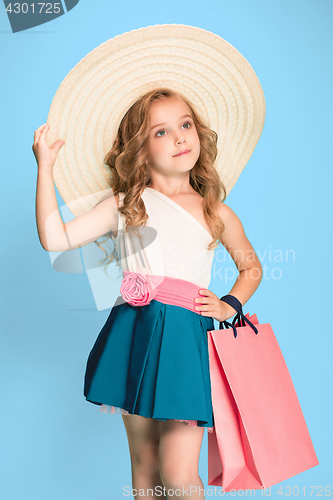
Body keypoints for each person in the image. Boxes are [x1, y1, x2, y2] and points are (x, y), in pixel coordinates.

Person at [33, 87, 262, 499]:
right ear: (138, 148)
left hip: (185, 338)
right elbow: (55, 237)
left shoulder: (215, 210)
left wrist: (230, 304)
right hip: (133, 331)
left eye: (186, 124)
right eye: (161, 131)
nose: (179, 137)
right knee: (145, 465)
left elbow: (252, 267)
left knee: (177, 474)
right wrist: (45, 167)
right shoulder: (126, 204)